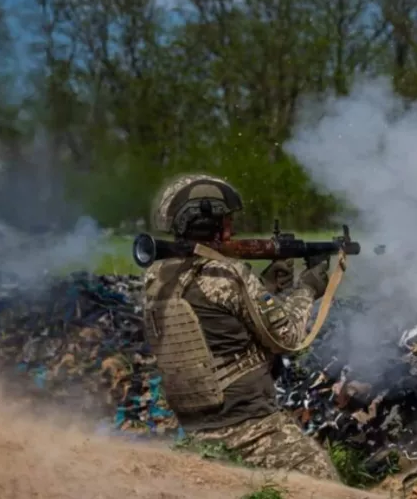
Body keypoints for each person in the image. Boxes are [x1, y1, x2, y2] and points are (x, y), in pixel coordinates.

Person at [141, 173, 340, 481]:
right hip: (249, 427)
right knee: (321, 481)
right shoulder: (229, 275)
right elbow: (286, 338)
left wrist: (265, 286)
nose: (231, 228)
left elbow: (216, 317)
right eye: (227, 221)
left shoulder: (157, 276)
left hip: (194, 427)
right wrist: (307, 289)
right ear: (215, 224)